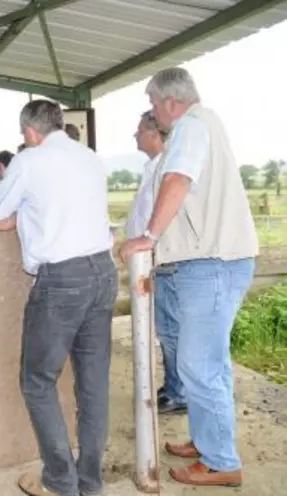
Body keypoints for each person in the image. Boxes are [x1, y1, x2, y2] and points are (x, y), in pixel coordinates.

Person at [119, 67, 258, 488]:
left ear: (171, 103)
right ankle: (206, 440)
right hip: (207, 262)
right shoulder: (201, 126)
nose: (153, 114)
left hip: (211, 263)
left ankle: (220, 462)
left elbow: (178, 180)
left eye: (153, 105)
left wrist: (149, 236)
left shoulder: (191, 128)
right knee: (204, 363)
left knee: (200, 365)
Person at [0, 99, 117, 496]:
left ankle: (61, 480)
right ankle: (90, 482)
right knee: (93, 384)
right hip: (104, 272)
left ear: (29, 132)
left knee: (38, 381)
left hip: (62, 280)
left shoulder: (29, 160)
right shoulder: (90, 157)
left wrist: (20, 214)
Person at [126, 111, 186, 416]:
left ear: (153, 134)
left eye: (138, 130)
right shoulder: (153, 167)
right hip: (149, 259)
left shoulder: (165, 168)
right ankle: (175, 384)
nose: (134, 135)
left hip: (161, 258)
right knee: (164, 327)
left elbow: (159, 216)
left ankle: (179, 392)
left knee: (170, 327)